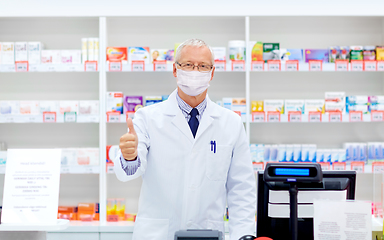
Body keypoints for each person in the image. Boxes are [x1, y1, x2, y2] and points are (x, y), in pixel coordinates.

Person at [114, 39, 256, 240]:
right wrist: (130, 157)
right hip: (158, 234)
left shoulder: (231, 123)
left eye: (203, 66)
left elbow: (242, 189)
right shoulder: (147, 118)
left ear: (212, 73)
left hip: (208, 234)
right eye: (188, 65)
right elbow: (128, 173)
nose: (195, 71)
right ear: (175, 70)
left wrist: (244, 236)